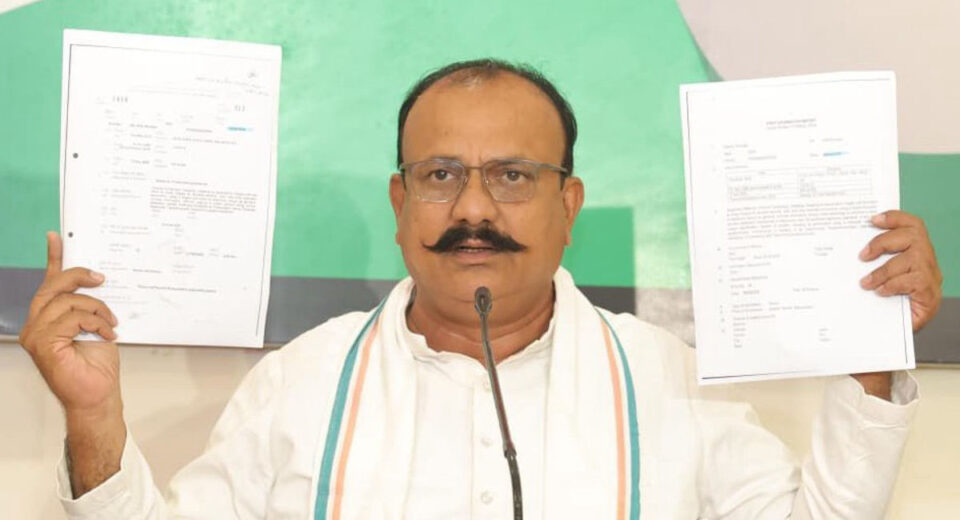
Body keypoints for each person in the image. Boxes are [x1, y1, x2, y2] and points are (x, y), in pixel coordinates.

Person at [19, 59, 942, 519]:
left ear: (568, 204)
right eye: (439, 175)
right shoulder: (303, 379)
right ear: (400, 203)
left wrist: (867, 359)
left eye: (511, 176)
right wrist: (94, 420)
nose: (472, 210)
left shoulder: (668, 379)